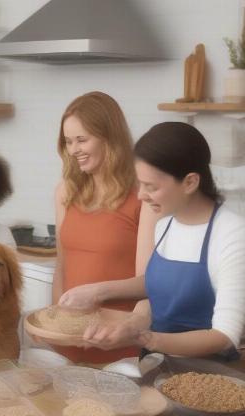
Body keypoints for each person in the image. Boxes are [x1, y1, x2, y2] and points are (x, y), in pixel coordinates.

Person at [72, 122, 245, 360]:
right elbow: (162, 285)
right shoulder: (165, 225)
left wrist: (147, 338)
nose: (141, 195)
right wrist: (98, 292)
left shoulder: (231, 232)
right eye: (140, 184)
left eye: (151, 187)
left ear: (190, 182)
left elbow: (225, 335)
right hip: (156, 365)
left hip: (212, 377)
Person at [52, 91, 158, 365]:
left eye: (81, 140)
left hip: (119, 342)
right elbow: (61, 266)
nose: (73, 150)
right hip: (70, 341)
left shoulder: (143, 195)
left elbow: (149, 283)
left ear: (109, 138)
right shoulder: (66, 192)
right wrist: (54, 323)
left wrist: (133, 325)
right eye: (68, 142)